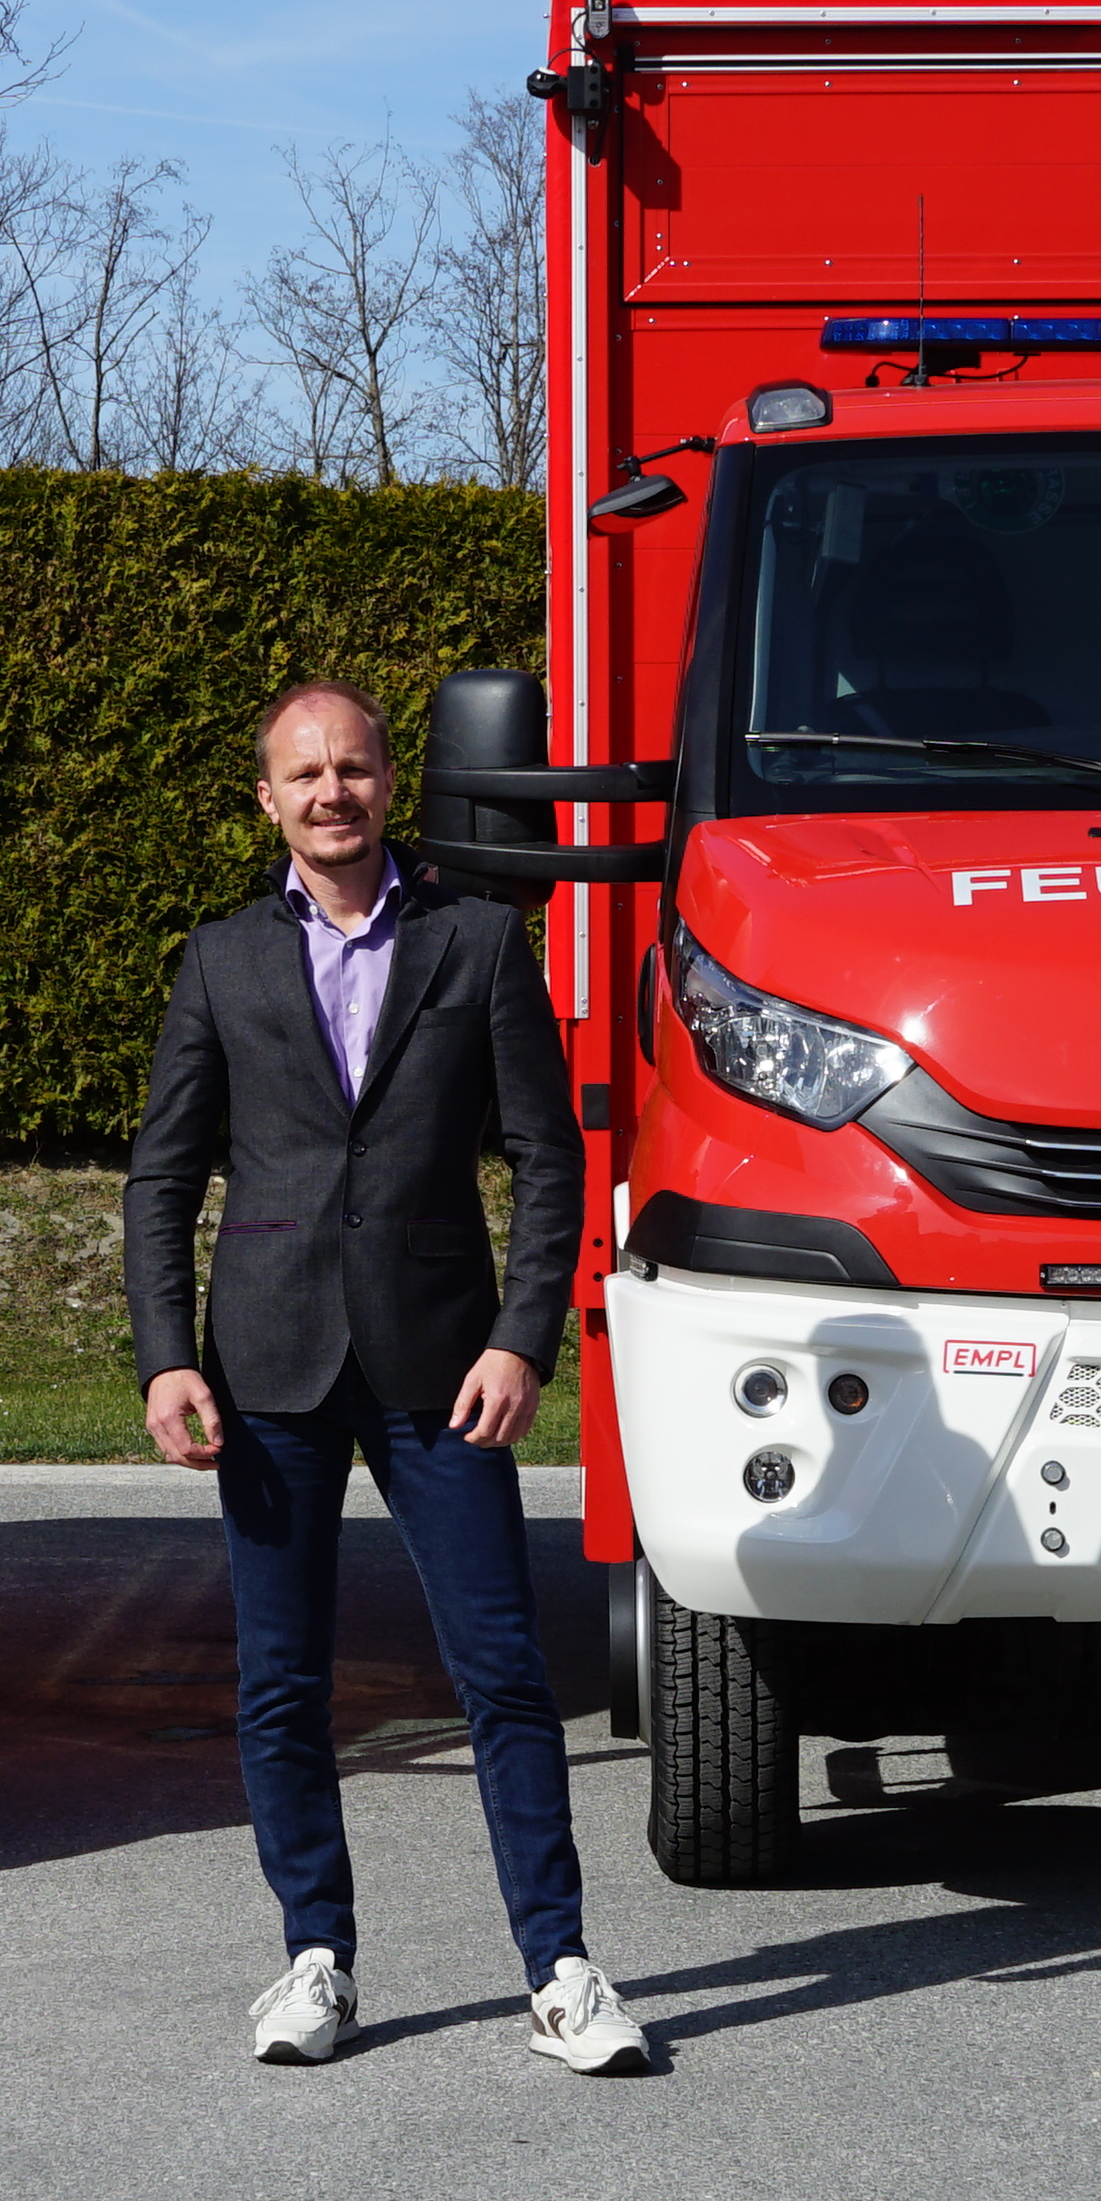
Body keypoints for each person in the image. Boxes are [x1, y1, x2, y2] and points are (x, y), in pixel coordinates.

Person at [129, 682, 644, 2073]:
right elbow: (165, 1175)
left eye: (352, 769)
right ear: (267, 800)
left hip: (443, 1366)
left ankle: (562, 1970)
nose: (331, 794)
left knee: (503, 1676)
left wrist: (524, 1337)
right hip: (269, 1368)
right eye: (303, 774)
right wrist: (168, 1355)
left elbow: (551, 1158)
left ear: (385, 785)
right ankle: (315, 1960)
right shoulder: (222, 960)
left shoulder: (476, 943)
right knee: (281, 1685)